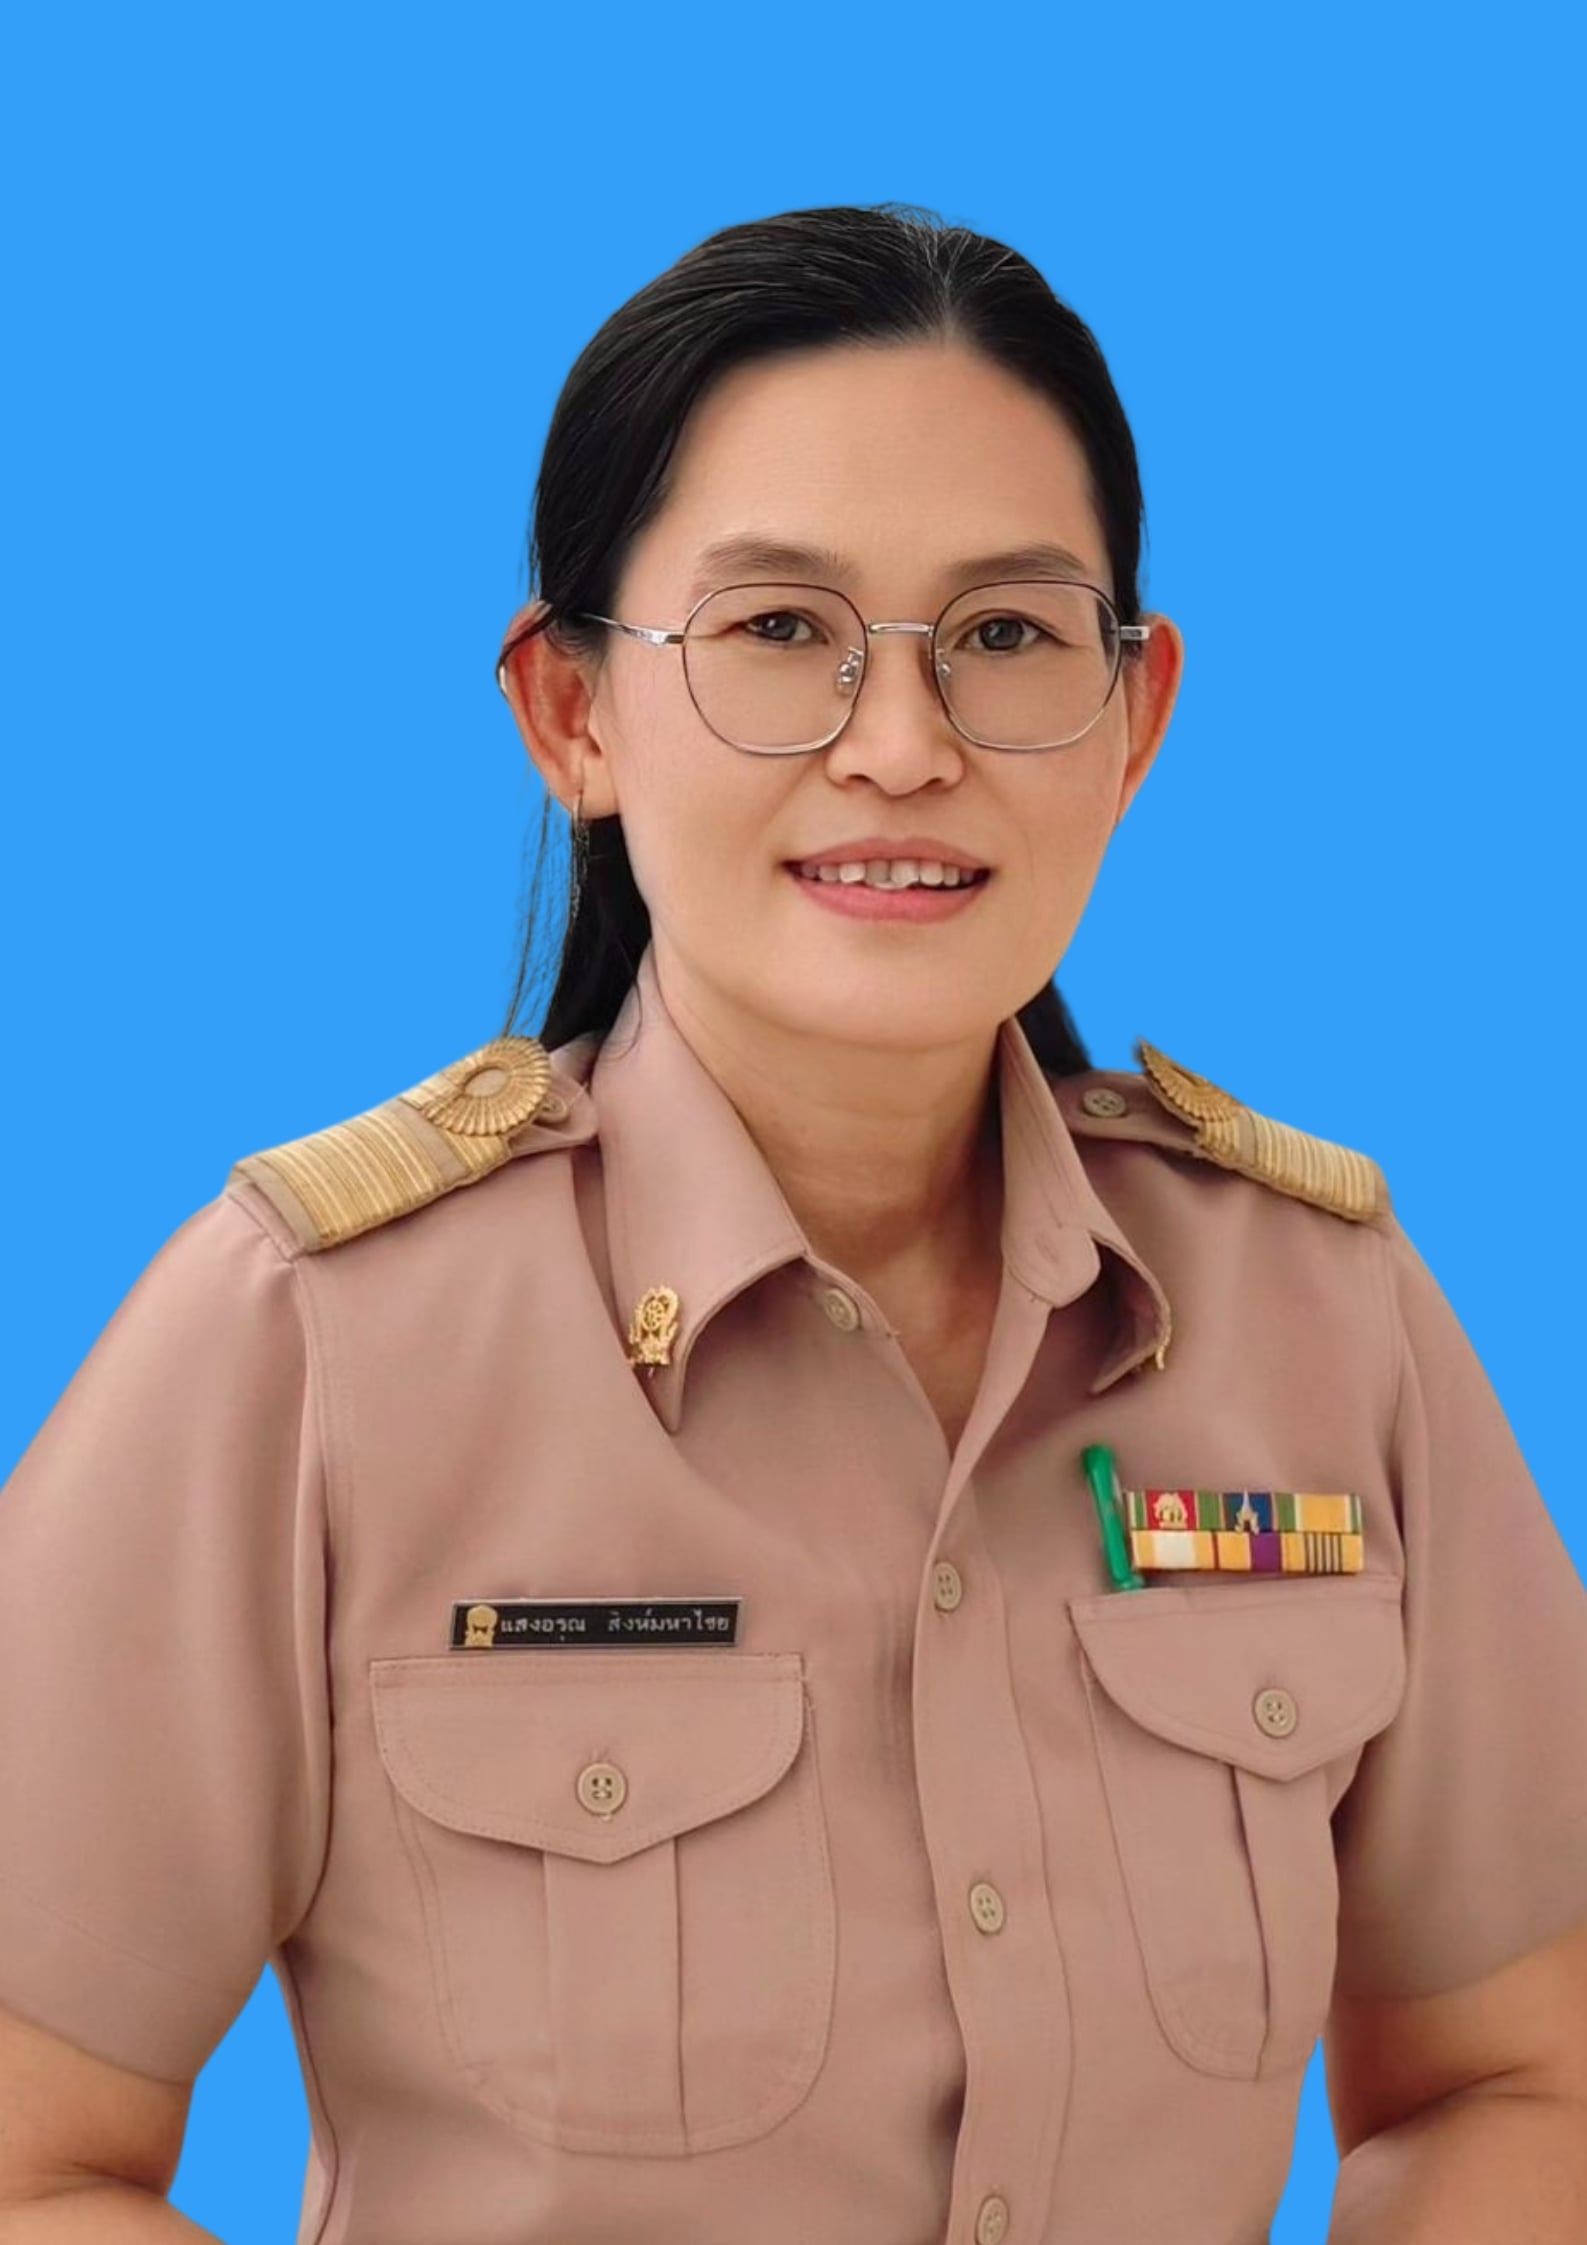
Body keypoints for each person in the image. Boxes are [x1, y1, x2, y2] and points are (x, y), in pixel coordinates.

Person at [2, 202, 1585, 2245]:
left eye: (1005, 636)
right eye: (776, 631)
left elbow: (1512, 2076)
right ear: (573, 713)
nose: (903, 748)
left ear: (1134, 716)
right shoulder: (308, 1343)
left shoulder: (1323, 1315)